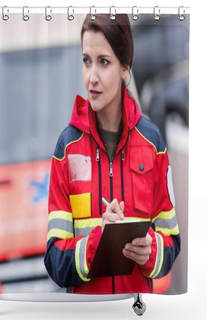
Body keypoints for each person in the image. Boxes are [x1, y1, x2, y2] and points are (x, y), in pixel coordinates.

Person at [44, 14, 180, 294]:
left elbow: (172, 243)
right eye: (86, 61)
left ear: (124, 67)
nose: (91, 77)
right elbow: (54, 261)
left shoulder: (153, 143)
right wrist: (96, 242)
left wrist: (151, 252)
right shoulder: (66, 149)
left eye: (103, 62)